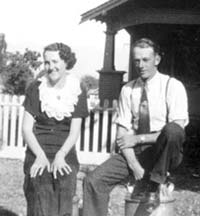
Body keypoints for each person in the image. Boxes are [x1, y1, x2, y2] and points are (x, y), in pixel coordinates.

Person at [82, 38, 189, 216]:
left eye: (146, 60)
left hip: (165, 152)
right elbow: (122, 133)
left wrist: (139, 138)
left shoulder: (172, 86)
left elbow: (177, 130)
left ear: (157, 59)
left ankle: (155, 181)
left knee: (172, 129)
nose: (141, 65)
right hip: (137, 153)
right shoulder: (128, 89)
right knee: (93, 181)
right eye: (137, 60)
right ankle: (149, 179)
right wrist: (134, 166)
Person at [22, 42, 88, 216]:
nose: (51, 67)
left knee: (65, 183)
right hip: (37, 152)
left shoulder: (77, 89)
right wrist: (40, 156)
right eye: (47, 62)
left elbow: (74, 132)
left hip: (65, 152)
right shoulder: (36, 88)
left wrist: (61, 155)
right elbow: (27, 129)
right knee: (40, 185)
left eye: (55, 62)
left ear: (66, 62)